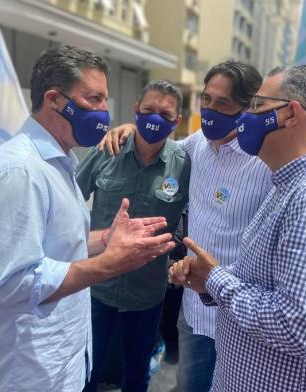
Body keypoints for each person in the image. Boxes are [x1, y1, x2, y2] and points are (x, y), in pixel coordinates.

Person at [0, 45, 175, 392]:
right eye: (94, 98)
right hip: (26, 374)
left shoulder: (59, 163)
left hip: (59, 363)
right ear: (53, 99)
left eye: (105, 100)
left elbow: (58, 244)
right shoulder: (19, 171)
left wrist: (107, 239)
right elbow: (13, 283)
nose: (105, 112)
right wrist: (110, 264)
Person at [169, 65, 306, 391]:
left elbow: (296, 327)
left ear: (291, 114)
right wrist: (208, 278)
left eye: (257, 106)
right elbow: (265, 279)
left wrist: (215, 279)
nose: (246, 118)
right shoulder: (289, 184)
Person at [99, 61, 273, 391]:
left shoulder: (264, 161)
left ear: (246, 108)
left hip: (239, 317)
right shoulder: (197, 145)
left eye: (222, 104)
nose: (209, 111)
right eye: (206, 100)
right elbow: (158, 148)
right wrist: (128, 130)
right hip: (193, 313)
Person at [76, 80, 190, 392]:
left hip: (147, 294)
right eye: (148, 110)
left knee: (137, 375)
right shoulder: (106, 150)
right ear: (135, 111)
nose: (155, 119)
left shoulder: (184, 165)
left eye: (164, 114)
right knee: (87, 370)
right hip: (97, 286)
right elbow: (69, 200)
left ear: (177, 121)